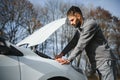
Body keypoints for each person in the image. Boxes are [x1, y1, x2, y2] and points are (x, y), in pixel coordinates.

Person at [55, 6, 116, 80]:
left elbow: (81, 45)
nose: (71, 23)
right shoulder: (80, 30)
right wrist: (61, 54)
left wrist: (68, 59)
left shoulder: (90, 24)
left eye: (72, 20)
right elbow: (73, 43)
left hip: (105, 62)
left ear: (78, 16)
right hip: (96, 64)